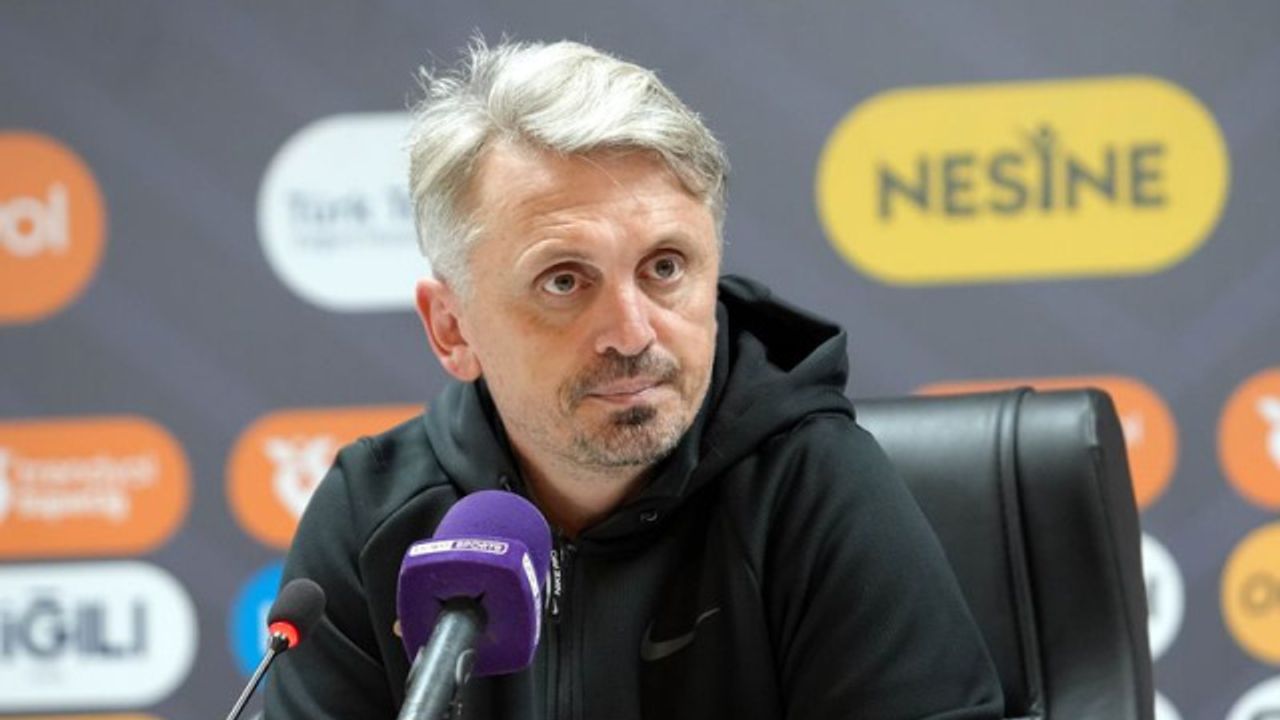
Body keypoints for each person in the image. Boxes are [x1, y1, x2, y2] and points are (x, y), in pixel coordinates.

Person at [265, 38, 1003, 719]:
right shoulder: (372, 515)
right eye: (564, 281)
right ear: (452, 329)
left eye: (665, 268)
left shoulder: (812, 488)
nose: (631, 332)